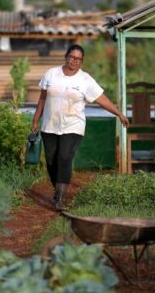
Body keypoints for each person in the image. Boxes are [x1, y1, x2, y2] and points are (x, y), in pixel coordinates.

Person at [31, 45, 129, 210]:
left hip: (73, 125)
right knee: (51, 160)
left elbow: (101, 99)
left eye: (78, 59)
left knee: (64, 157)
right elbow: (42, 99)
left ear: (82, 61)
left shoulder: (85, 80)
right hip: (50, 125)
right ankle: (58, 190)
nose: (74, 61)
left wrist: (119, 113)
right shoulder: (51, 74)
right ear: (66, 56)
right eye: (72, 57)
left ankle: (60, 198)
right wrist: (35, 120)